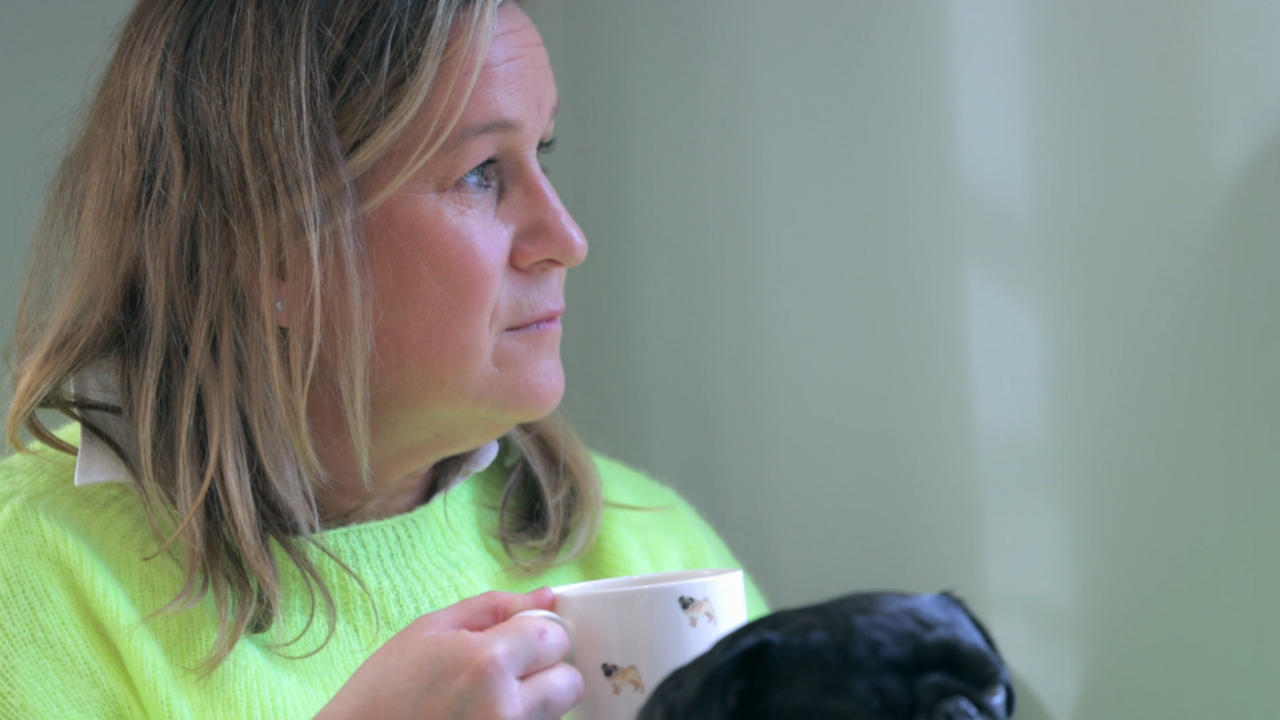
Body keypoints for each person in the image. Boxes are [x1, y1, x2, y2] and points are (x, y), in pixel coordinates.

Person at [0, 1, 767, 718]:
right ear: (274, 254)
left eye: (543, 152)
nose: (566, 239)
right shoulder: (30, 576)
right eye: (482, 174)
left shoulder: (650, 544)